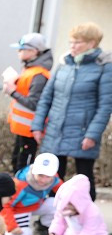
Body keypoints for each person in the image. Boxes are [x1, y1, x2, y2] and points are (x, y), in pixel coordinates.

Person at [32, 22, 112, 201]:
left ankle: (86, 221)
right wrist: (37, 125)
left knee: (84, 177)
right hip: (56, 129)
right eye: (71, 42)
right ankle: (50, 221)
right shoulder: (64, 64)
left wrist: (92, 135)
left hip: (83, 131)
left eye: (77, 42)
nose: (72, 46)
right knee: (52, 176)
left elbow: (105, 105)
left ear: (91, 43)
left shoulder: (104, 67)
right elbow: (46, 98)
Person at [3, 33, 53, 172]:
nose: (19, 52)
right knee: (17, 162)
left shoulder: (38, 74)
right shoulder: (30, 70)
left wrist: (12, 92)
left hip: (30, 130)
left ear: (33, 51)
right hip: (23, 129)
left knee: (23, 166)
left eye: (22, 49)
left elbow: (34, 103)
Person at [47, 174, 112, 235]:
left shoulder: (92, 212)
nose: (67, 208)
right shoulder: (65, 207)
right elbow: (59, 219)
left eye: (71, 204)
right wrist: (54, 232)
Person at [2, 152, 61, 235]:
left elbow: (64, 192)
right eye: (40, 175)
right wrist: (11, 226)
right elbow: (5, 205)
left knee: (58, 204)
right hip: (18, 210)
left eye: (48, 176)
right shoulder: (20, 184)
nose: (43, 180)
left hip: (36, 205)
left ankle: (43, 227)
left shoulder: (54, 178)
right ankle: (2, 230)